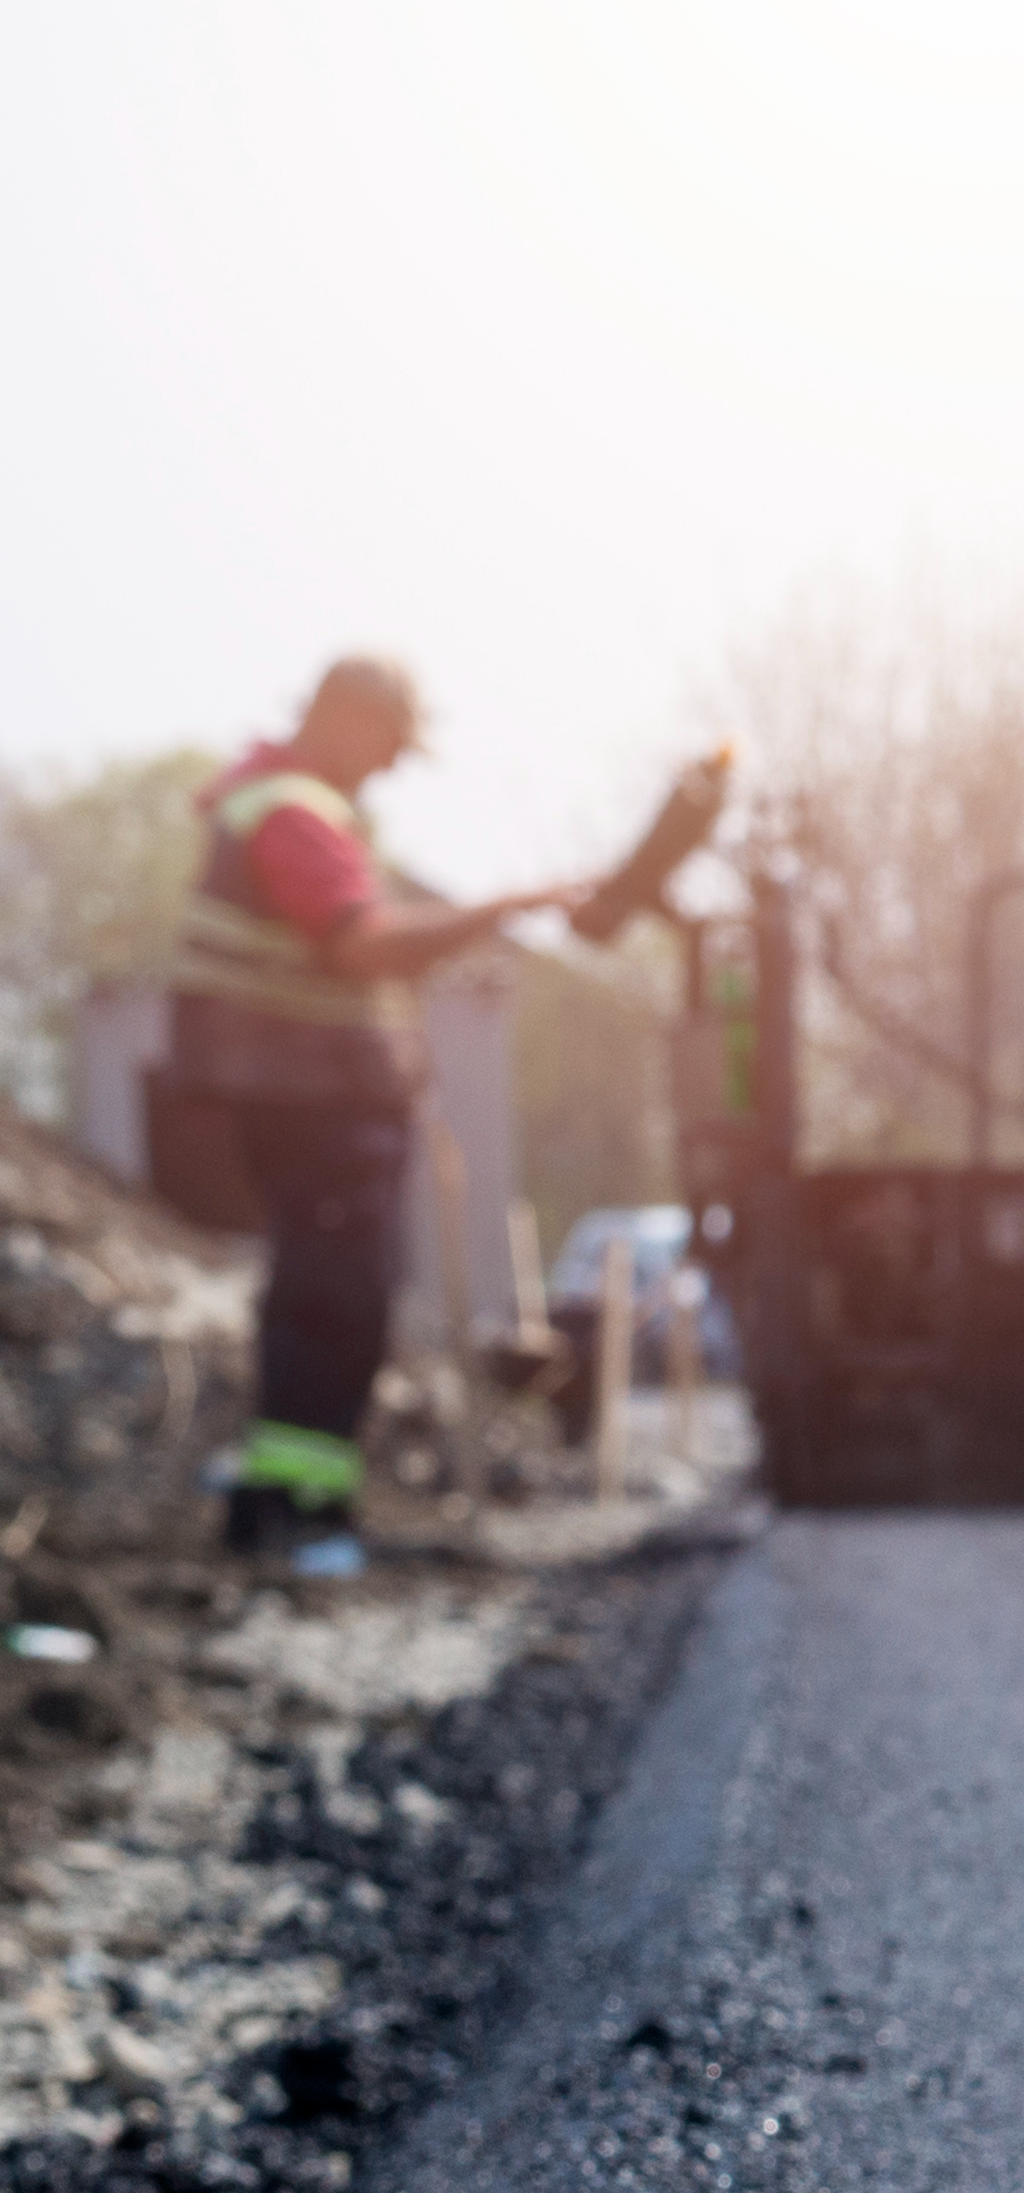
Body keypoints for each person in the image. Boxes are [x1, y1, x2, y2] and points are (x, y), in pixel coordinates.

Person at [168, 659, 573, 1567]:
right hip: (315, 1105)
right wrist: (501, 908)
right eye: (391, 743)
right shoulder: (295, 813)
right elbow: (361, 948)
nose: (391, 766)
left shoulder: (273, 801)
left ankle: (289, 1498)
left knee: (325, 1296)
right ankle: (302, 1513)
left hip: (314, 1101)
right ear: (343, 719)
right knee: (334, 1302)